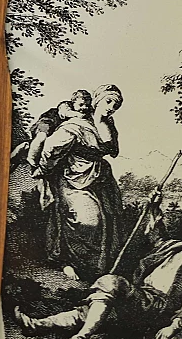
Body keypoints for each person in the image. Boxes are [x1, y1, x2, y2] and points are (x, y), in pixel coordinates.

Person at [14, 191, 182, 339]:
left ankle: (82, 337)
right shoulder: (177, 245)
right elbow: (156, 237)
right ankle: (38, 325)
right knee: (93, 312)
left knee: (111, 282)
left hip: (160, 306)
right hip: (143, 295)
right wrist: (154, 207)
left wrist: (174, 327)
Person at [35, 84, 124, 280]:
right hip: (73, 178)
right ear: (97, 100)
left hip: (99, 180)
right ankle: (67, 262)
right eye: (108, 101)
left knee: (109, 221)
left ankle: (93, 271)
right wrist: (44, 169)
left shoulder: (108, 124)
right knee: (87, 221)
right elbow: (51, 148)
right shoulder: (77, 122)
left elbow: (113, 150)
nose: (111, 107)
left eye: (116, 105)